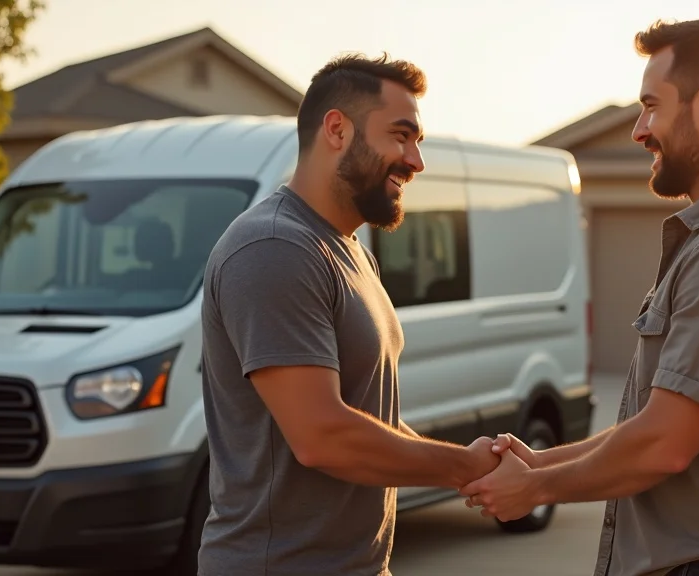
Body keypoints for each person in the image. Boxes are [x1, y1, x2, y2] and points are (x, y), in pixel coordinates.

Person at [461, 17, 699, 576]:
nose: (639, 129)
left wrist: (535, 487)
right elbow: (660, 421)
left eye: (652, 106)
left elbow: (664, 445)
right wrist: (543, 461)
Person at [197, 53, 500, 576]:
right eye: (401, 136)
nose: (416, 161)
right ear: (337, 129)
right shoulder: (274, 247)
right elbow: (323, 437)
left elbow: (367, 416)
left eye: (418, 141)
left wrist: (472, 462)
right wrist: (462, 468)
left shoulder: (350, 251)